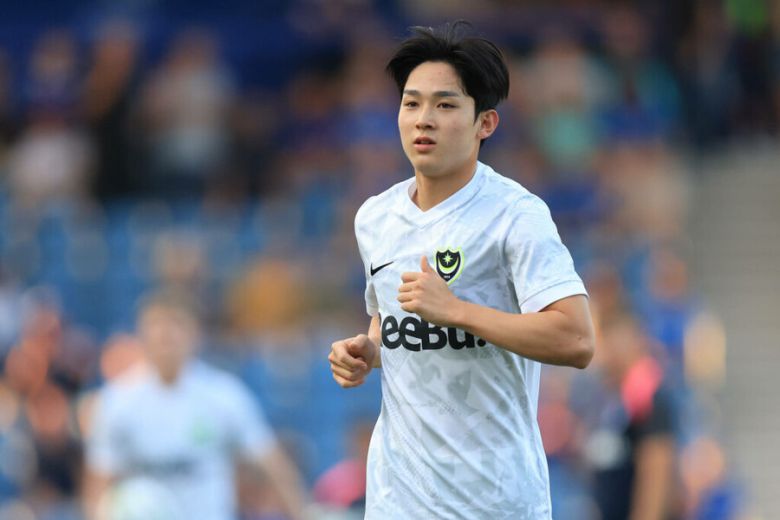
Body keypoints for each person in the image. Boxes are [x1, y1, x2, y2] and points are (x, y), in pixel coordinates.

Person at [328, 21, 596, 519]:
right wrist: (368, 350)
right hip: (397, 503)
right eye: (411, 103)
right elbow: (393, 321)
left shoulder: (515, 215)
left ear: (485, 123)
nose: (423, 120)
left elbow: (577, 339)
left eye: (445, 105)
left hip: (496, 502)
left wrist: (457, 311)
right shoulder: (375, 218)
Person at [83, 292, 307, 520]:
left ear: (195, 333)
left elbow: (272, 465)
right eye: (156, 325)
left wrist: (301, 513)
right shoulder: (117, 401)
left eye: (176, 324)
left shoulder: (224, 395)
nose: (165, 335)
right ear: (141, 333)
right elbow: (99, 483)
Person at [588, 313, 679, 520]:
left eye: (616, 343)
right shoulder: (614, 398)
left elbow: (656, 473)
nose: (609, 353)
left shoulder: (648, 396)